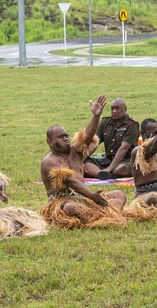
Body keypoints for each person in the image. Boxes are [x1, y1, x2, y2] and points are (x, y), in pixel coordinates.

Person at [40, 95, 127, 229]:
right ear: (49, 142)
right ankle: (105, 217)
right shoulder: (49, 161)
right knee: (70, 208)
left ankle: (101, 217)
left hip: (85, 199)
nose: (65, 139)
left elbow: (87, 137)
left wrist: (96, 116)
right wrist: (92, 196)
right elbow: (70, 180)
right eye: (60, 137)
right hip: (63, 202)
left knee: (119, 195)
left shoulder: (75, 152)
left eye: (66, 135)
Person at [84, 98, 139, 178]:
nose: (114, 111)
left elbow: (123, 149)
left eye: (118, 108)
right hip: (107, 160)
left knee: (121, 169)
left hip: (124, 161)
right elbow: (94, 143)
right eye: (112, 108)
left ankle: (107, 173)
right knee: (86, 162)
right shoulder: (105, 122)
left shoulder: (132, 124)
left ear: (125, 109)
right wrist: (81, 160)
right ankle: (102, 174)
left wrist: (109, 168)